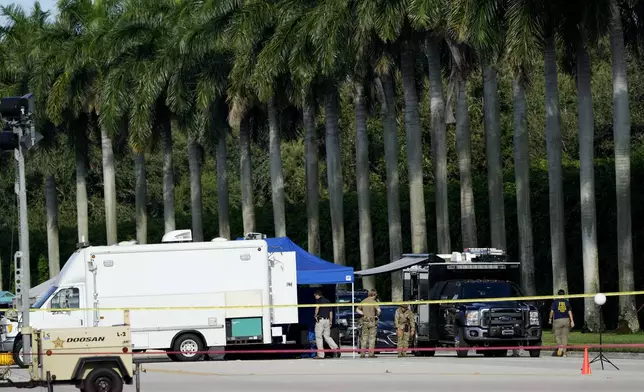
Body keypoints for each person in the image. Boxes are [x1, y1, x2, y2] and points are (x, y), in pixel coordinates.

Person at [313, 290, 339, 359]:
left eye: (315, 296)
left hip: (320, 320)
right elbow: (331, 312)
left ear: (317, 295)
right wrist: (330, 321)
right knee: (327, 336)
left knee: (319, 337)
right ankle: (335, 348)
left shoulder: (318, 300)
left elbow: (317, 308)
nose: (315, 297)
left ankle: (320, 355)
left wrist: (315, 315)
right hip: (327, 320)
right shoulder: (328, 301)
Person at [549, 289, 575, 357]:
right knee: (565, 337)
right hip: (566, 320)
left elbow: (552, 311)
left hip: (558, 320)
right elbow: (569, 312)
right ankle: (564, 353)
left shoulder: (555, 302)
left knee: (557, 336)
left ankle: (560, 346)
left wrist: (550, 318)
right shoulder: (567, 302)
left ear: (558, 295)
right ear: (564, 295)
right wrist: (572, 321)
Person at [356, 289, 381, 358]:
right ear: (374, 295)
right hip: (372, 321)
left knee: (364, 338)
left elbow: (357, 309)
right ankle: (371, 354)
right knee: (372, 338)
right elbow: (379, 310)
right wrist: (377, 315)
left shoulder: (363, 301)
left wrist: (363, 313)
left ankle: (362, 354)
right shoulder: (374, 302)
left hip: (364, 321)